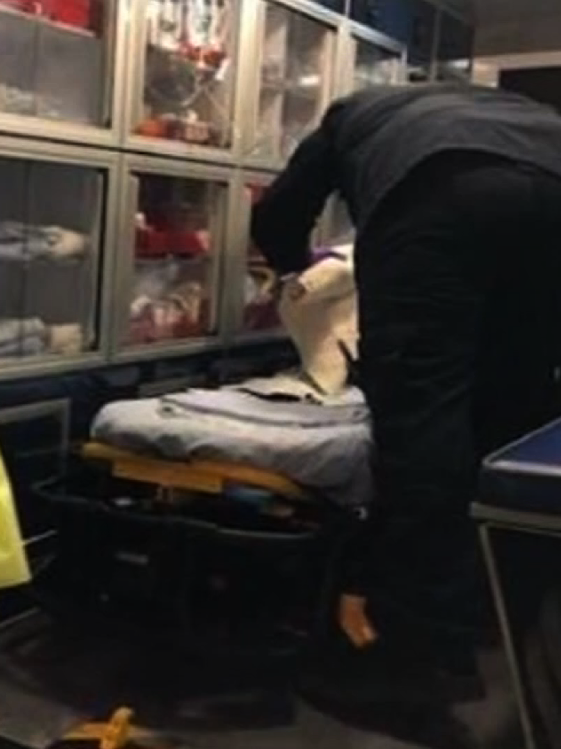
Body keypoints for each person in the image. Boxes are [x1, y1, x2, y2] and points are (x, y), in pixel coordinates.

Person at [252, 84, 561, 710]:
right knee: (514, 407)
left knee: (422, 420)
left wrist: (293, 272)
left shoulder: (350, 115)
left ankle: (419, 658)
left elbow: (279, 214)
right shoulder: (510, 109)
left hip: (440, 191)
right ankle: (501, 613)